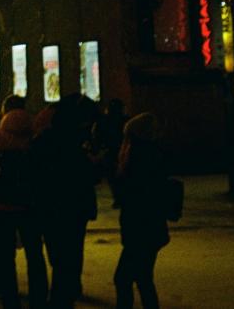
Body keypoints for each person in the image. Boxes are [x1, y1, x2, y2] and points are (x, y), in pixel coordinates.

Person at [33, 96, 100, 308]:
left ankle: (61, 295)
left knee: (58, 254)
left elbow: (33, 172)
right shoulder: (76, 144)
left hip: (50, 206)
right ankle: (66, 293)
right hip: (74, 207)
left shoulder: (43, 142)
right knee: (72, 252)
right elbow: (89, 176)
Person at [0, 107, 48, 309]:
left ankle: (10, 301)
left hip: (1, 208)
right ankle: (39, 298)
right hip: (30, 208)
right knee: (35, 256)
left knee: (5, 260)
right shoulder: (37, 142)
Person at [113, 113, 170, 309]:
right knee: (142, 278)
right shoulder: (152, 156)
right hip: (149, 229)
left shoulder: (138, 159)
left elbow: (132, 195)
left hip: (141, 230)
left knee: (125, 278)